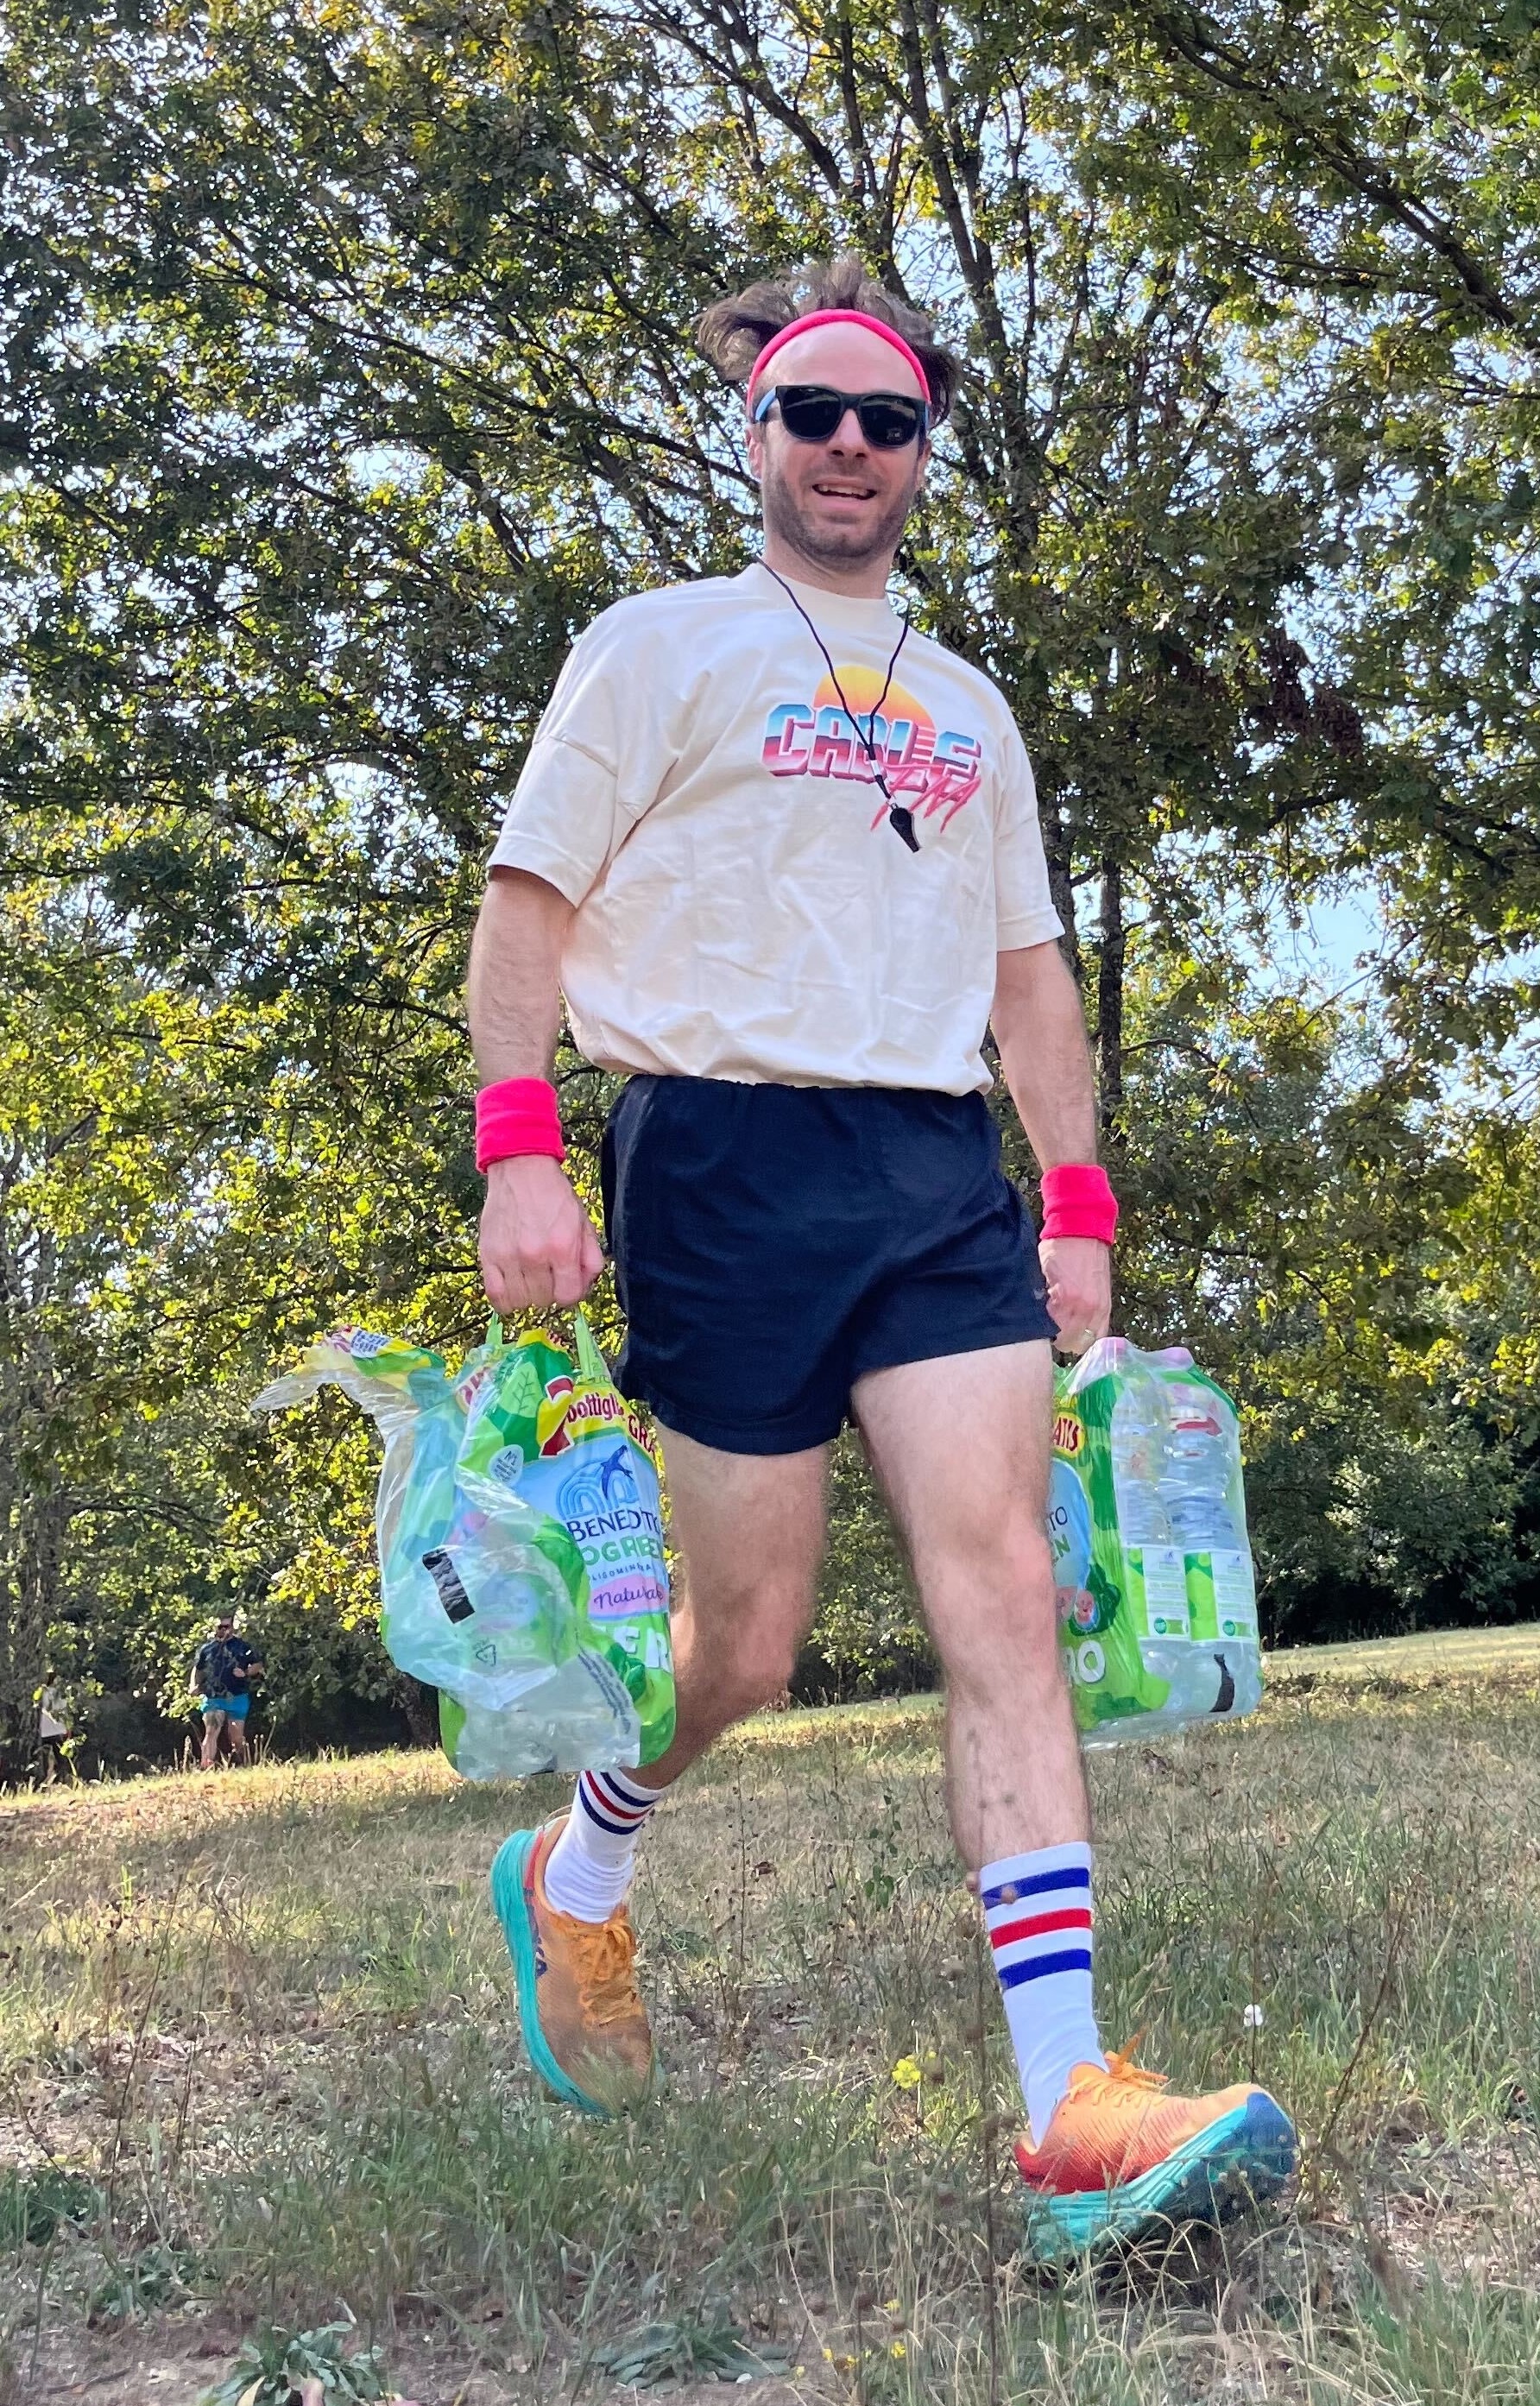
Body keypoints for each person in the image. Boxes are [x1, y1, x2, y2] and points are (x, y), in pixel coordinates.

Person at [469, 256, 1295, 2253]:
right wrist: (519, 1157)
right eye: (813, 414)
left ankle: (1069, 2105)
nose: (849, 448)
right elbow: (519, 912)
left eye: (888, 420)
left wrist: (1071, 1193)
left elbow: (1027, 975)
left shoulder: (966, 706)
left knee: (999, 1582)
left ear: (924, 452)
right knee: (741, 1643)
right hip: (716, 1155)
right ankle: (574, 1870)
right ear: (752, 434)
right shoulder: (654, 649)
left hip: (932, 1176)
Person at [191, 1613, 262, 1769]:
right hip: (213, 1697)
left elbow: (257, 1665)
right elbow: (197, 1669)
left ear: (232, 1627)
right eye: (220, 1627)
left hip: (237, 1696)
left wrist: (246, 1673)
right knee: (211, 1732)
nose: (223, 1630)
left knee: (236, 1738)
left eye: (226, 1627)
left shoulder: (242, 1646)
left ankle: (245, 1764)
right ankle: (206, 1768)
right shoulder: (207, 1649)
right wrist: (194, 1685)